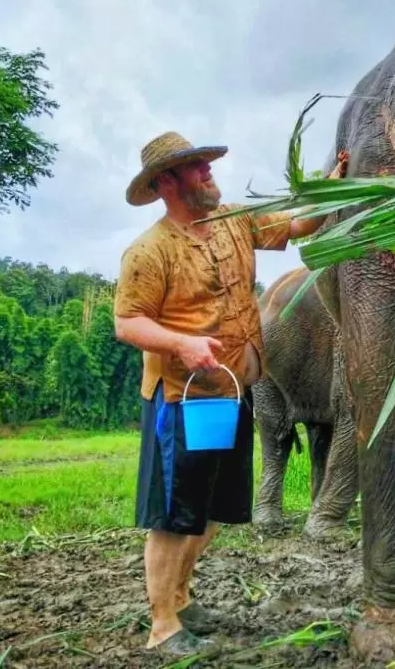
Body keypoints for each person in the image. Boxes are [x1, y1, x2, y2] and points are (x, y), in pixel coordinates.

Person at [113, 131, 347, 656]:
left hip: (234, 389)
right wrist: (180, 342)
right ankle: (163, 626)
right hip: (180, 399)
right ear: (166, 182)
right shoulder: (149, 251)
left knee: (214, 508)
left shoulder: (234, 221)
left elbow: (299, 224)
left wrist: (334, 181)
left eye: (206, 165)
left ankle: (180, 596)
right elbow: (128, 323)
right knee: (173, 515)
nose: (208, 173)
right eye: (196, 168)